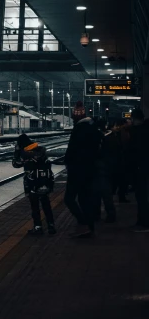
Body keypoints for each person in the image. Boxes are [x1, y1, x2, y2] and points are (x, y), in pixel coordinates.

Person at [64, 101, 101, 238]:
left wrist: (67, 161)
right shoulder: (93, 129)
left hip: (77, 170)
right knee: (85, 199)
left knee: (69, 199)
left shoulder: (79, 130)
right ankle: (89, 227)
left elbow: (72, 150)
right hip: (89, 170)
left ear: (76, 117)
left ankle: (83, 223)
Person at [13, 133, 56, 235]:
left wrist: (17, 151)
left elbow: (16, 164)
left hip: (32, 182)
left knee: (35, 206)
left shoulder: (25, 154)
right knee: (46, 204)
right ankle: (51, 226)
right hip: (45, 181)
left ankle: (38, 227)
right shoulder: (41, 150)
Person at [128, 108, 149, 229]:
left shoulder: (136, 132)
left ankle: (143, 222)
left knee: (141, 196)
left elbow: (133, 152)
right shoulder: (146, 130)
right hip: (144, 166)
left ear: (134, 118)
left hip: (139, 167)